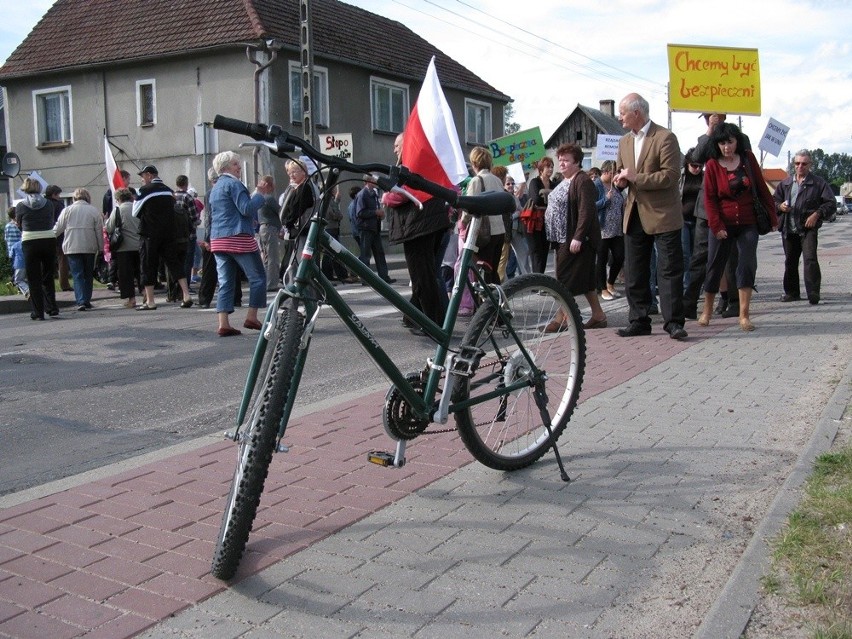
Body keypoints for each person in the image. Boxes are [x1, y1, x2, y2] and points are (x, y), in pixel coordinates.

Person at [614, 92, 687, 340]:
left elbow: (670, 176)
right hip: (633, 213)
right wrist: (620, 182)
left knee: (668, 270)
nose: (619, 117)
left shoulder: (665, 137)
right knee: (634, 271)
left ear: (637, 112)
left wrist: (636, 178)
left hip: (663, 214)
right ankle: (639, 320)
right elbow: (619, 174)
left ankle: (674, 322)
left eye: (622, 112)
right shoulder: (623, 141)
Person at [699, 122, 778, 331]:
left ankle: (744, 315)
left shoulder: (748, 159)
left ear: (737, 141)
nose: (727, 147)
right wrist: (716, 226)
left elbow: (762, 189)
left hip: (748, 222)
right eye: (723, 143)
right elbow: (709, 199)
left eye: (730, 142)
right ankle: (706, 311)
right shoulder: (713, 164)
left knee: (746, 264)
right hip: (722, 223)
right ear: (717, 144)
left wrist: (773, 218)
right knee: (715, 265)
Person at [384, 132, 451, 327]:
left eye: (397, 145)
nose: (394, 149)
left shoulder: (412, 162)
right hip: (430, 222)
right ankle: (413, 317)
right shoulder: (424, 159)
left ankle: (434, 324)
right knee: (426, 274)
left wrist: (386, 196)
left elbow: (404, 193)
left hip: (419, 225)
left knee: (423, 276)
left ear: (406, 144)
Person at [543, 143, 607, 331]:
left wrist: (578, 237)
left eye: (566, 160)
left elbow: (587, 210)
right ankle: (598, 315)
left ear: (577, 162)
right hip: (563, 238)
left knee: (564, 279)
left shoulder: (582, 181)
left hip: (575, 239)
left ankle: (562, 318)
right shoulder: (567, 180)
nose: (561, 164)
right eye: (560, 160)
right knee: (585, 280)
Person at [208, 150, 267, 337]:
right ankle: (252, 315)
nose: (239, 167)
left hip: (218, 239)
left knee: (225, 281)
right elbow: (246, 208)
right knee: (257, 276)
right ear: (226, 167)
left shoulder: (215, 188)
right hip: (238, 237)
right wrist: (260, 195)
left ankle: (223, 322)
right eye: (235, 164)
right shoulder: (235, 184)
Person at [773, 149, 834, 305]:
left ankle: (813, 293)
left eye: (804, 163)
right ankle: (792, 293)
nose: (800, 166)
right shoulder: (785, 184)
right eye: (797, 163)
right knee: (790, 262)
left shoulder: (818, 183)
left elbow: (830, 203)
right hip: (788, 228)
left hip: (807, 229)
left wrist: (817, 214)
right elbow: (772, 203)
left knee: (810, 259)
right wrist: (780, 207)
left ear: (810, 164)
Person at [132, 165, 193, 310]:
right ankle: (186, 294)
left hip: (149, 234)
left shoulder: (144, 191)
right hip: (169, 233)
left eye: (142, 176)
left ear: (149, 175)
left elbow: (135, 213)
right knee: (174, 263)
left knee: (148, 265)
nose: (142, 179)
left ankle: (151, 301)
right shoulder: (169, 190)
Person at [54, 188, 104, 311]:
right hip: (89, 246)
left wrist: (47, 237)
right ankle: (86, 300)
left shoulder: (67, 210)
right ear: (87, 197)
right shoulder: (94, 211)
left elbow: (58, 228)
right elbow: (99, 231)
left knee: (77, 275)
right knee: (88, 274)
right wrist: (101, 247)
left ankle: (80, 300)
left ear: (74, 198)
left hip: (72, 246)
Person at [16, 177, 59, 320]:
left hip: (30, 241)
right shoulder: (48, 204)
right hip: (48, 238)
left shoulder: (21, 205)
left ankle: (38, 312)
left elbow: (19, 224)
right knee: (48, 275)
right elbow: (52, 220)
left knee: (33, 278)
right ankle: (52, 307)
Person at [463, 146, 505, 286]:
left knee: (482, 272)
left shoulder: (476, 181)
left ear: (474, 163)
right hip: (499, 231)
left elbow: (469, 208)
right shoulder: (497, 180)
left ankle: (486, 305)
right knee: (493, 272)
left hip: (484, 234)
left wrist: (463, 221)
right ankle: (498, 303)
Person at [279, 159, 316, 279]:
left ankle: (304, 292)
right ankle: (298, 290)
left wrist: (287, 222)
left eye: (294, 172)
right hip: (298, 231)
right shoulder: (297, 187)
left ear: (303, 172)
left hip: (303, 230)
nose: (291, 175)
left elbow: (296, 210)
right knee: (295, 264)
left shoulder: (305, 187)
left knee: (300, 264)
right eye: (290, 173)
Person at [354, 175, 394, 284]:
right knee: (366, 254)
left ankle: (384, 276)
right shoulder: (362, 194)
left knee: (379, 252)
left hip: (374, 227)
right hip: (366, 228)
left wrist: (380, 214)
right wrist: (375, 213)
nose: (376, 182)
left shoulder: (374, 194)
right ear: (367, 181)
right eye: (373, 180)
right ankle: (365, 278)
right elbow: (360, 213)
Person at [106, 187, 142, 308]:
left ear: (119, 199)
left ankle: (131, 299)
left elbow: (110, 228)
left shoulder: (117, 211)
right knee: (141, 272)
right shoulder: (138, 207)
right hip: (139, 245)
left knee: (126, 275)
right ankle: (146, 294)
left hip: (124, 247)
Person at [596, 160, 625, 301]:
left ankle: (610, 283)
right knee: (601, 260)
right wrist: (605, 200)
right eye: (614, 172)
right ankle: (602, 288)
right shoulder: (596, 185)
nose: (616, 175)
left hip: (617, 229)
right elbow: (590, 205)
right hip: (602, 229)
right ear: (606, 172)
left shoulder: (614, 185)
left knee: (619, 256)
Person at [321, 185, 358, 284]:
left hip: (334, 228)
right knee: (329, 253)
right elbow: (331, 214)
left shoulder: (332, 199)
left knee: (334, 252)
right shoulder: (326, 199)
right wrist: (338, 215)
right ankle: (329, 275)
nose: (334, 190)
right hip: (329, 228)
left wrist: (337, 202)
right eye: (332, 188)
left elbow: (336, 210)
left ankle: (337, 274)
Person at [526, 156, 556, 273]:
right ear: (541, 169)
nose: (550, 169)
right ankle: (536, 280)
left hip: (547, 221)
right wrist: (550, 196)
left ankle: (541, 280)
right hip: (533, 221)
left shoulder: (553, 184)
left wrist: (545, 194)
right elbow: (536, 199)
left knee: (544, 251)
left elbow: (557, 201)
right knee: (536, 252)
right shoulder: (535, 182)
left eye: (552, 167)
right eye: (548, 167)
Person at [679, 148, 703, 292]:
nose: (697, 169)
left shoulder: (704, 177)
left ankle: (695, 286)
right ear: (688, 163)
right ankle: (685, 286)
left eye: (700, 166)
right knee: (684, 254)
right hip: (681, 220)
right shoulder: (680, 177)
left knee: (697, 254)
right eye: (694, 165)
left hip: (698, 220)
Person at [255, 174, 283, 291]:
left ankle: (267, 282)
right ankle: (272, 284)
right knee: (273, 257)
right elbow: (281, 211)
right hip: (270, 228)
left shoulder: (259, 198)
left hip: (262, 229)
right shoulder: (269, 198)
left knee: (266, 258)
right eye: (272, 185)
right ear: (268, 185)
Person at [44, 184, 71, 292]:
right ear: (54, 194)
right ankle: (64, 285)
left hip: (45, 235)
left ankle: (46, 284)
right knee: (62, 260)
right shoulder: (58, 205)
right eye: (58, 194)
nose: (59, 197)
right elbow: (62, 221)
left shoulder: (43, 204)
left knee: (46, 261)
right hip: (59, 236)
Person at [5, 209, 28, 298]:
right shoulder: (19, 225)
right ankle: (20, 287)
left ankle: (17, 286)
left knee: (16, 269)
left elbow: (7, 240)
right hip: (20, 249)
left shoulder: (8, 226)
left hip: (12, 250)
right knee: (20, 270)